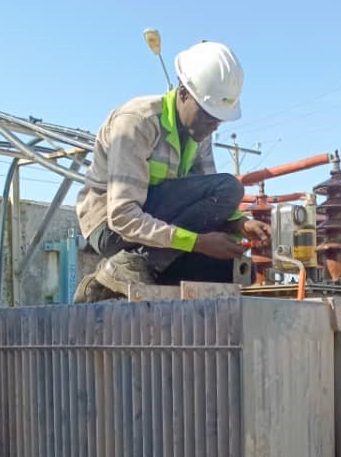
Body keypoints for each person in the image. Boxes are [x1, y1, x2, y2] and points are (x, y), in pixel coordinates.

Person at [74, 40, 270, 302]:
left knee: (228, 269)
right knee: (230, 189)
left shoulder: (199, 133)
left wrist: (240, 224)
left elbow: (209, 205)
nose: (214, 125)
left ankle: (114, 284)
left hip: (154, 229)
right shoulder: (137, 122)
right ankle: (127, 264)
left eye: (219, 119)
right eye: (208, 115)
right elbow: (122, 216)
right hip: (111, 228)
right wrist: (198, 243)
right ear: (184, 93)